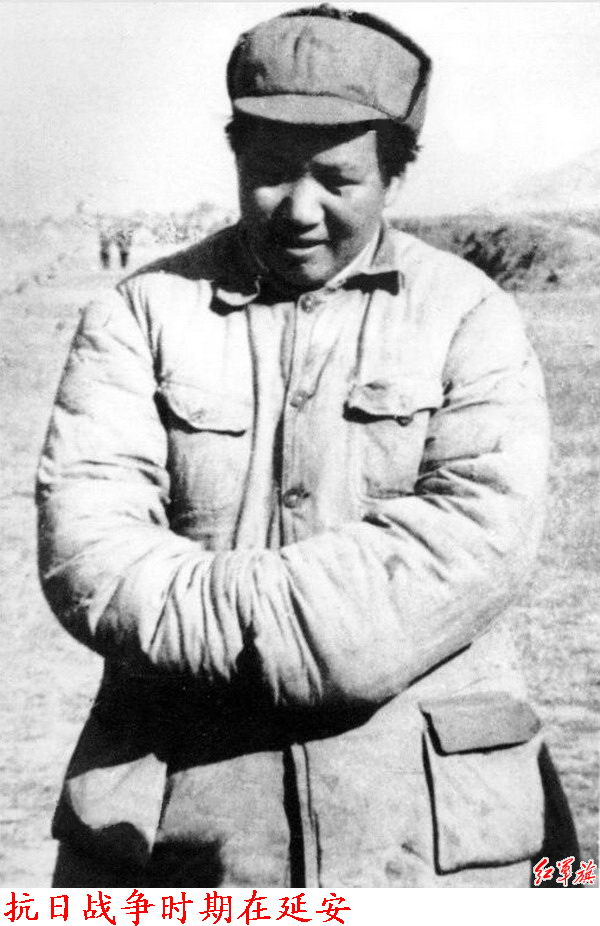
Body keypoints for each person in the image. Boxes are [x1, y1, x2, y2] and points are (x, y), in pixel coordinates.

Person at [37, 4, 578, 888]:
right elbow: (89, 558)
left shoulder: (470, 315)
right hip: (180, 835)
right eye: (269, 172)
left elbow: (475, 541)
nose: (299, 209)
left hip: (433, 845)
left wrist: (216, 613)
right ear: (234, 158)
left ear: (393, 175)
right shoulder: (138, 314)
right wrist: (308, 621)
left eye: (337, 178)